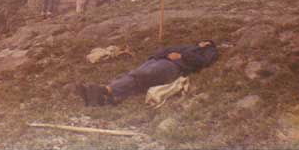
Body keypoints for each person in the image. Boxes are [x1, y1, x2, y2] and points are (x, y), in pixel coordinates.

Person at [78, 40, 218, 106]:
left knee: (141, 75)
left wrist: (182, 57)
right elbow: (168, 47)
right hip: (160, 60)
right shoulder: (189, 46)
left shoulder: (209, 51)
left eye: (203, 42)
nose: (200, 43)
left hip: (173, 66)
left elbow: (203, 62)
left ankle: (102, 90)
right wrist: (160, 55)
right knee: (137, 75)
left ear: (207, 44)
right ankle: (106, 98)